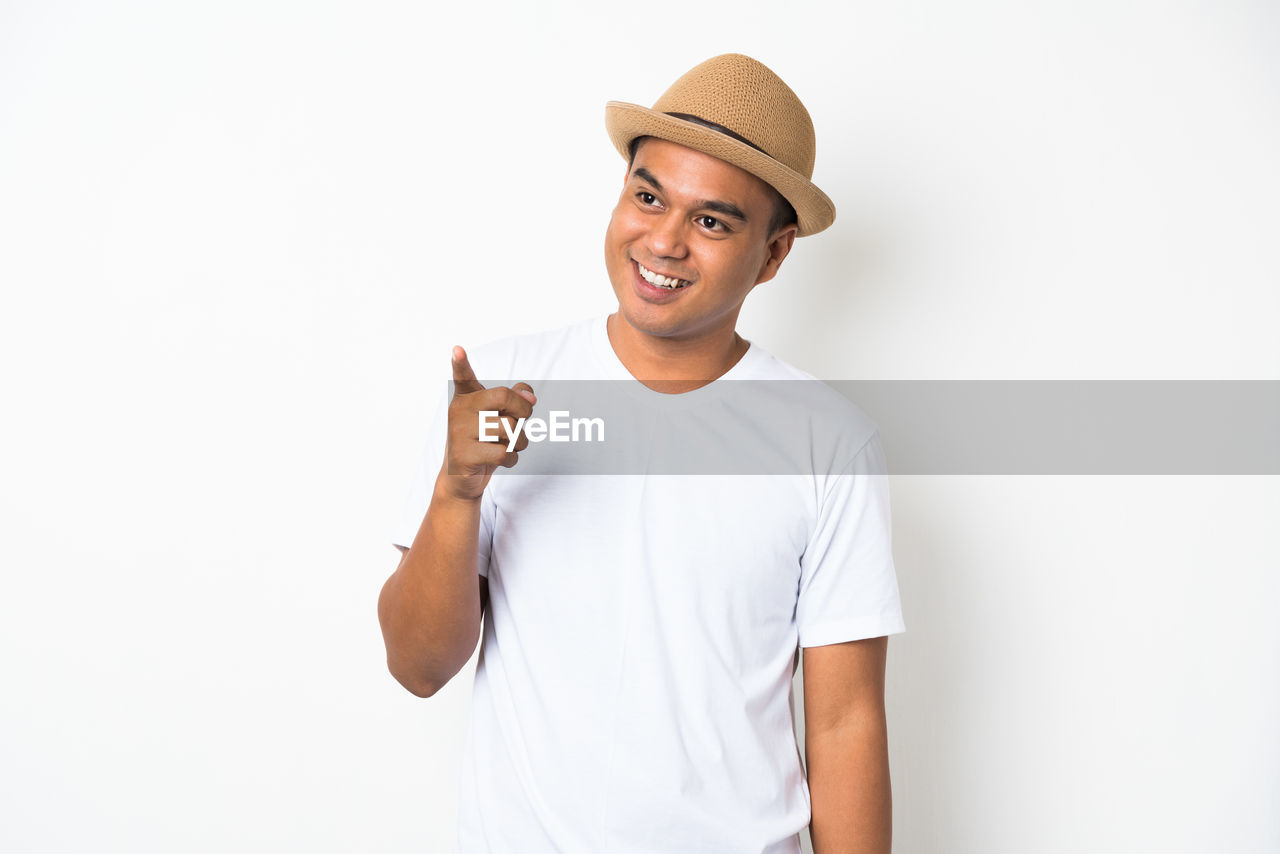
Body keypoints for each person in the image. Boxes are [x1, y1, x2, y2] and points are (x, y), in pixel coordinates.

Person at [378, 54, 905, 854]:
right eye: (648, 196)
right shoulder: (496, 395)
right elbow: (418, 667)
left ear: (773, 255)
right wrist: (457, 494)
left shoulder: (826, 440)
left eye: (712, 220)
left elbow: (844, 723)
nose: (663, 240)